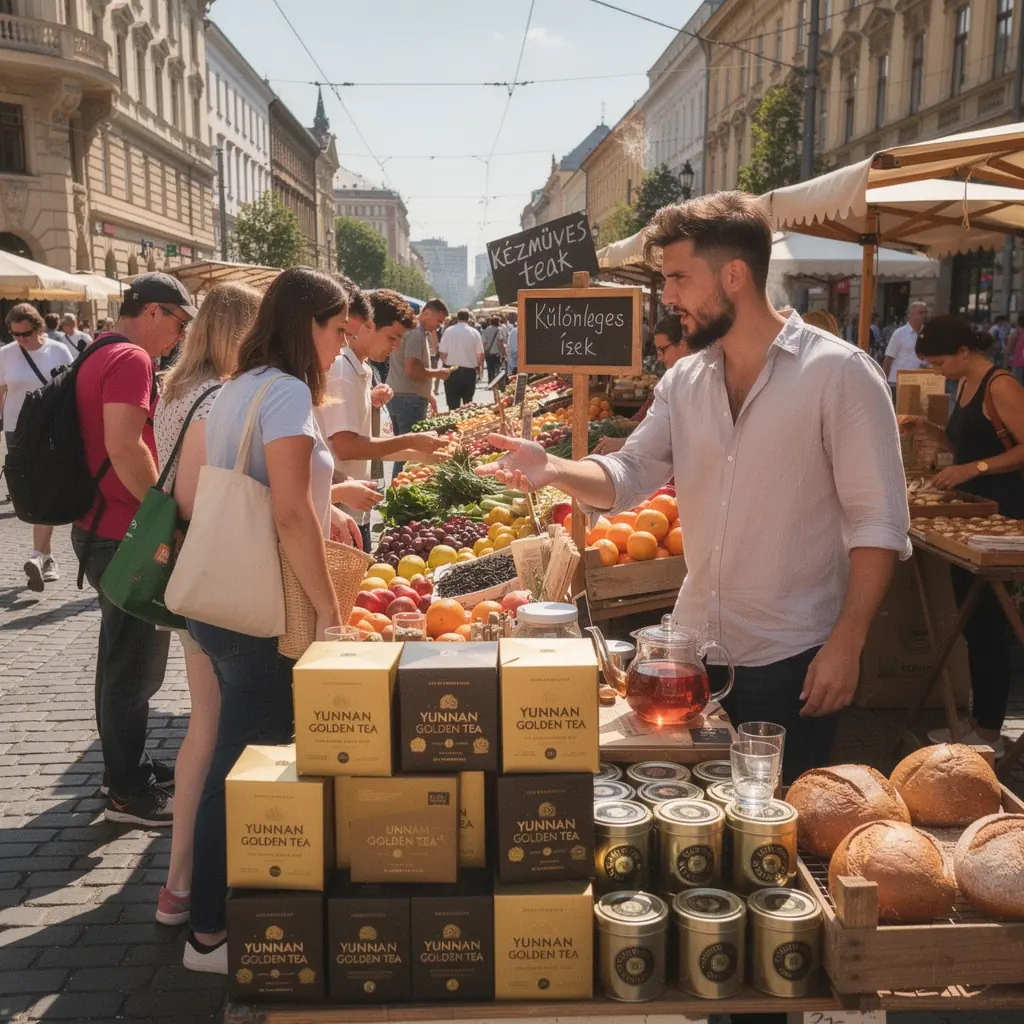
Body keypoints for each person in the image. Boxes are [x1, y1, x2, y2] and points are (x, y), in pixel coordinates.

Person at [477, 191, 909, 784]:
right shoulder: (686, 378)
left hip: (795, 658)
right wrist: (552, 468)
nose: (669, 296)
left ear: (734, 275)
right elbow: (628, 476)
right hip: (692, 656)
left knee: (777, 829)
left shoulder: (839, 373)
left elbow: (879, 522)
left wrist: (849, 641)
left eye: (679, 277)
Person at [183, 268, 356, 974]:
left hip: (224, 598)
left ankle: (222, 910)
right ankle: (210, 932)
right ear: (306, 324)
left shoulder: (233, 386)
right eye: (337, 328)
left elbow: (217, 490)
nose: (341, 343)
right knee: (244, 764)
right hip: (263, 602)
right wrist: (329, 610)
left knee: (241, 753)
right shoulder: (283, 392)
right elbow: (288, 513)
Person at [151, 282, 262, 927]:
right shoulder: (220, 397)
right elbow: (203, 496)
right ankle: (200, 882)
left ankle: (177, 882)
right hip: (221, 568)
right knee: (221, 728)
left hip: (188, 569)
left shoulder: (174, 391)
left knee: (202, 725)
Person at [73, 272, 199, 826]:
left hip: (97, 524)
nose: (179, 334)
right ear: (152, 311)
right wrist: (161, 516)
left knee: (118, 660)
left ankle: (126, 767)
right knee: (135, 668)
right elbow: (125, 446)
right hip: (125, 531)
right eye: (178, 320)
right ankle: (127, 791)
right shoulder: (130, 359)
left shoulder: (97, 349)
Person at [900, 315, 1024, 756]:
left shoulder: (1001, 385)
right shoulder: (965, 387)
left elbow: (1017, 448)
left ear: (964, 353)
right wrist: (929, 431)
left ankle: (989, 730)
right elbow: (965, 444)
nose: (937, 371)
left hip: (1001, 513)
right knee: (974, 621)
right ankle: (977, 720)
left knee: (987, 618)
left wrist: (975, 469)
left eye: (938, 362)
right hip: (969, 510)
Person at [322, 289, 447, 550]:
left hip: (353, 505)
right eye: (392, 336)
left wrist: (419, 455)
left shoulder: (363, 368)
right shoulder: (342, 369)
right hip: (336, 511)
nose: (396, 346)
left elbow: (364, 440)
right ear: (368, 326)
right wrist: (410, 441)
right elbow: (347, 446)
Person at [0, 304, 75, 589]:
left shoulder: (58, 350)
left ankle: (37, 555)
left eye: (26, 334)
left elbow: (71, 389)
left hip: (50, 431)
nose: (21, 340)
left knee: (46, 490)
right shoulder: (5, 355)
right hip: (16, 432)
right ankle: (46, 557)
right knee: (26, 492)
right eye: (15, 334)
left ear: (39, 327)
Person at [592, 315, 688, 456]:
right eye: (657, 351)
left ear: (683, 344)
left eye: (663, 349)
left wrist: (625, 443)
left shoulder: (695, 384)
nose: (660, 357)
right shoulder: (673, 380)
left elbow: (676, 439)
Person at [387, 298, 450, 477]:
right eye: (438, 321)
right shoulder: (415, 332)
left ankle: (396, 486)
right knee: (409, 453)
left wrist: (428, 392)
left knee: (402, 449)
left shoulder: (412, 330)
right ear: (427, 313)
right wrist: (438, 374)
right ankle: (397, 491)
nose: (438, 326)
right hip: (409, 399)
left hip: (401, 395)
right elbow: (412, 368)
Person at [439, 308, 485, 410]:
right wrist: (479, 367)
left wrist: (446, 361)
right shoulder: (474, 333)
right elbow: (480, 354)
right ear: (468, 318)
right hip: (469, 372)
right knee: (467, 404)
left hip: (451, 370)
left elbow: (442, 353)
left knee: (452, 404)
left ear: (457, 318)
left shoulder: (448, 331)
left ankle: (453, 424)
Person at [883, 301, 927, 396]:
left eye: (925, 312)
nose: (924, 315)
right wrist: (884, 381)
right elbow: (888, 359)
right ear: (911, 314)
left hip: (920, 383)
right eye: (920, 313)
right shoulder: (899, 334)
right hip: (898, 383)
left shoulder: (927, 334)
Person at [481, 316, 503, 383]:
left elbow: (484, 343)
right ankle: (496, 382)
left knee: (489, 368)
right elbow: (500, 343)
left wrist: (483, 352)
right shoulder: (499, 330)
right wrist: (503, 352)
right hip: (496, 353)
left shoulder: (486, 330)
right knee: (497, 368)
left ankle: (490, 382)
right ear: (498, 323)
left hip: (488, 353)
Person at [1008, 312, 1024, 385]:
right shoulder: (1017, 333)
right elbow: (1009, 349)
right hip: (1018, 364)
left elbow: (1009, 349)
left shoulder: (1016, 333)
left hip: (1018, 364)